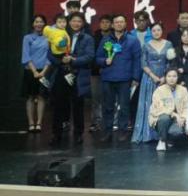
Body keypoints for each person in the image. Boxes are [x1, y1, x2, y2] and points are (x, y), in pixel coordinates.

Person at [49, 12, 94, 146]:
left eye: (79, 21)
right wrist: (60, 61)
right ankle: (56, 134)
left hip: (78, 75)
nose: (76, 23)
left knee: (78, 106)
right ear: (69, 22)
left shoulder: (87, 38)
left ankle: (78, 134)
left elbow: (90, 56)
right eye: (73, 21)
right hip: (61, 73)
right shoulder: (60, 34)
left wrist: (73, 60)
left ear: (83, 23)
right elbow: (49, 54)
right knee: (58, 105)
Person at [95, 14, 141, 143]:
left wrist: (136, 77)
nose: (119, 24)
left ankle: (123, 130)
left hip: (125, 79)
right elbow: (97, 58)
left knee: (124, 107)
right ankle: (107, 131)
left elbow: (137, 60)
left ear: (125, 24)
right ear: (112, 25)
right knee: (107, 107)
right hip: (108, 78)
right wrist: (104, 61)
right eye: (116, 22)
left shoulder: (133, 40)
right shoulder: (106, 40)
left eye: (121, 22)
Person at [132, 22, 174, 144]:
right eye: (154, 30)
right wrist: (153, 76)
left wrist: (165, 77)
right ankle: (148, 134)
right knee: (149, 104)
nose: (156, 32)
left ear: (162, 31)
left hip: (165, 78)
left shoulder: (168, 44)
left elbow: (171, 62)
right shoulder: (146, 45)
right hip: (149, 78)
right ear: (151, 32)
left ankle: (163, 134)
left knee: (164, 105)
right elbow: (143, 63)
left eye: (159, 30)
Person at [149, 67, 188, 151]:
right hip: (162, 118)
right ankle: (162, 140)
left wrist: (183, 117)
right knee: (164, 118)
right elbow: (158, 108)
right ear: (165, 77)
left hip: (178, 119)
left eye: (174, 76)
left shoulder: (183, 90)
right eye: (169, 76)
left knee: (176, 132)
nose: (171, 79)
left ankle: (170, 139)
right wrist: (174, 114)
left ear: (178, 77)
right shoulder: (159, 90)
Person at [21, 14, 50, 133]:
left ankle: (39, 123)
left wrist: (43, 72)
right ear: (33, 24)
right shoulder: (27, 38)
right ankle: (31, 123)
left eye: (41, 22)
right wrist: (34, 71)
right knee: (30, 97)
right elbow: (26, 56)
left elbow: (50, 56)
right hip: (30, 71)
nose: (39, 24)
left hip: (44, 71)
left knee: (42, 97)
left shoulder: (48, 38)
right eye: (36, 22)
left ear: (45, 24)